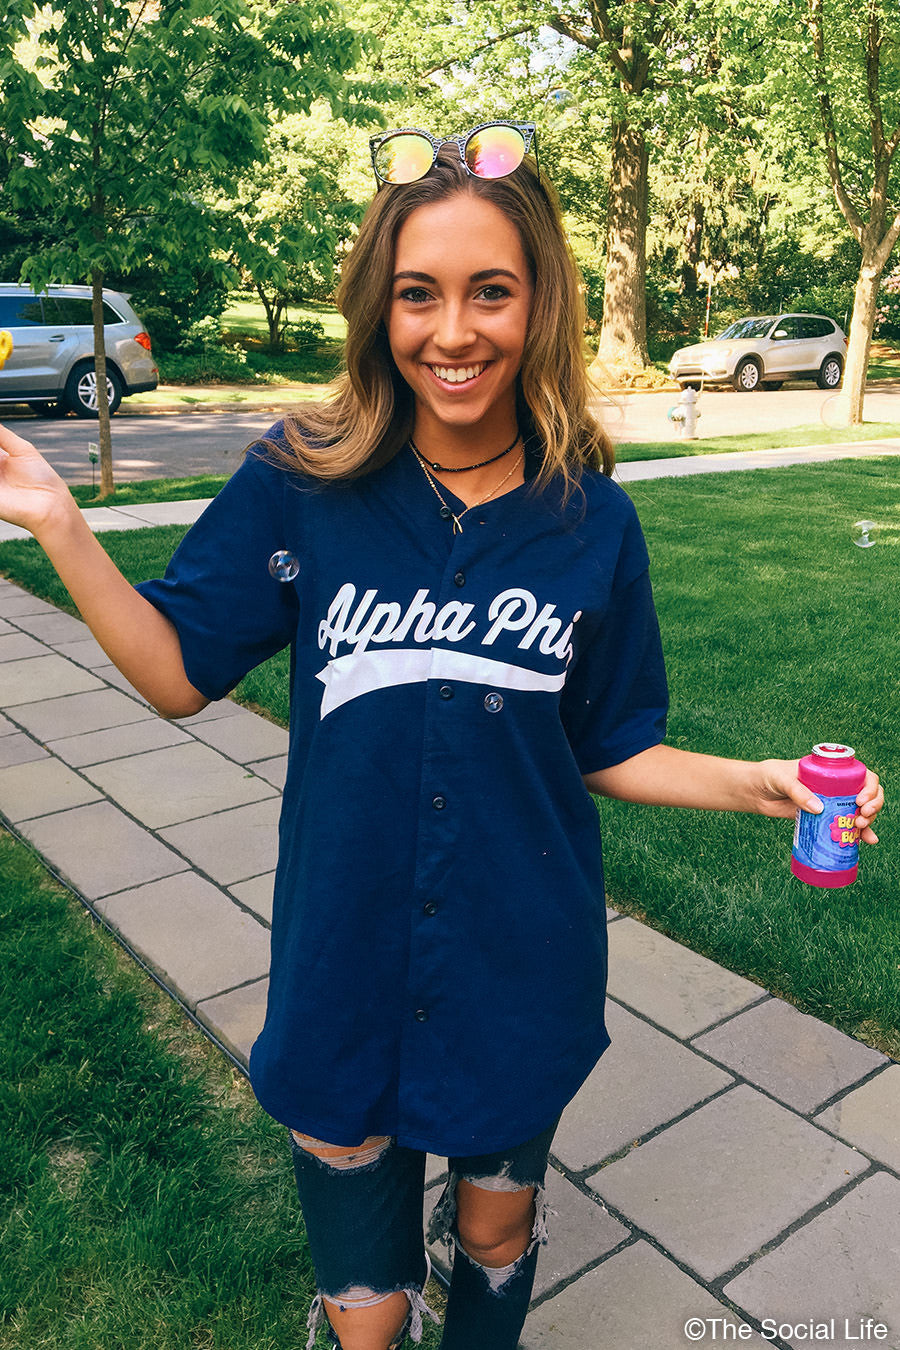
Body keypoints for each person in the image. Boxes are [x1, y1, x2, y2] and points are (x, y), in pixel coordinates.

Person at [0, 122, 883, 1350]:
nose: (453, 331)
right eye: (419, 294)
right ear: (381, 306)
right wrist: (55, 520)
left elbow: (609, 741)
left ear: (542, 307)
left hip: (521, 968)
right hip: (341, 964)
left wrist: (762, 784)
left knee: (494, 1240)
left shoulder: (592, 523)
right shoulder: (300, 479)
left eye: (491, 293)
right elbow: (176, 678)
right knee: (363, 1312)